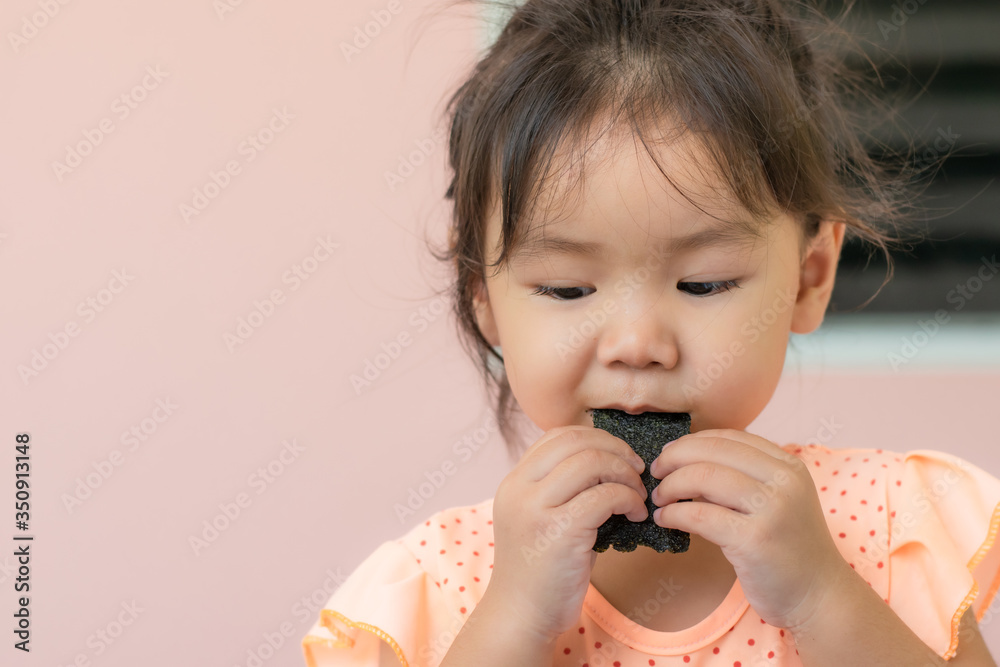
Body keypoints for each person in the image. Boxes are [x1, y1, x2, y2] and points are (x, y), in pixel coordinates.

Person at [302, 1, 1000, 664]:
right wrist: (514, 618)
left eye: (703, 284)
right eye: (567, 289)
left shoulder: (885, 525)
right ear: (482, 294)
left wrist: (821, 599)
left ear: (809, 277)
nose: (638, 345)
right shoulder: (442, 584)